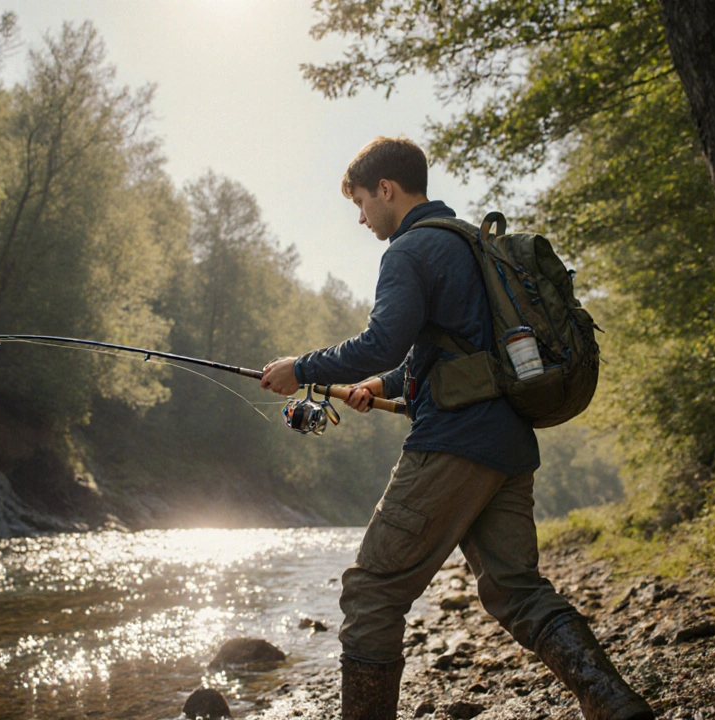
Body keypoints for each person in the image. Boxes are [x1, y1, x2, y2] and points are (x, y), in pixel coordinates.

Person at [260, 137, 653, 720]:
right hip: (510, 446)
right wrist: (385, 387)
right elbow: (447, 346)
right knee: (517, 590)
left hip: (453, 445)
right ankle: (616, 705)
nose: (361, 217)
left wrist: (303, 369)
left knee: (372, 593)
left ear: (387, 190)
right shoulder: (472, 242)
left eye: (362, 202)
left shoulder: (407, 251)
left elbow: (382, 340)